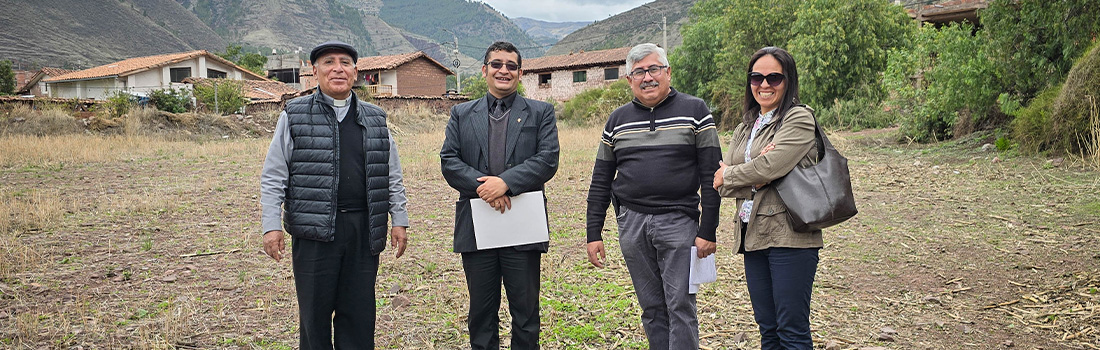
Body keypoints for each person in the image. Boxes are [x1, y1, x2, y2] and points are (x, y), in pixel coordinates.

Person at [259, 40, 409, 350]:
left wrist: (400, 219)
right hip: (314, 233)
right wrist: (271, 225)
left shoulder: (376, 118)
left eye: (344, 62)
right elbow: (274, 175)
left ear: (356, 72)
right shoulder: (295, 114)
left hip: (364, 229)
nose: (337, 68)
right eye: (328, 62)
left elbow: (391, 173)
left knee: (359, 313)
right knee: (314, 317)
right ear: (314, 71)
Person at [585, 43, 721, 350]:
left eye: (654, 69)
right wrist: (594, 232)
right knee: (651, 307)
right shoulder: (616, 121)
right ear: (629, 80)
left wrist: (707, 230)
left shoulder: (696, 111)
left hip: (678, 222)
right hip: (632, 224)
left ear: (668, 72)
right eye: (639, 72)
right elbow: (601, 180)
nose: (648, 77)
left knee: (681, 307)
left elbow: (712, 177)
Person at [440, 41, 560, 350]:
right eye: (496, 64)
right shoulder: (461, 114)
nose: (503, 70)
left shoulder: (541, 112)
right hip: (478, 226)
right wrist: (486, 189)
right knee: (481, 312)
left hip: (523, 225)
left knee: (525, 313)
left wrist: (505, 183)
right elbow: (450, 161)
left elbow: (546, 160)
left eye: (510, 65)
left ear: (520, 73)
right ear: (484, 70)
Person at [712, 46, 821, 350]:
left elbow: (768, 167)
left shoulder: (798, 119)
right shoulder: (747, 125)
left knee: (792, 331)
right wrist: (752, 172)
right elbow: (723, 180)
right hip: (752, 234)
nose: (764, 85)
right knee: (768, 330)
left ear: (788, 81)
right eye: (756, 77)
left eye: (774, 77)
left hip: (790, 236)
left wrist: (741, 172)